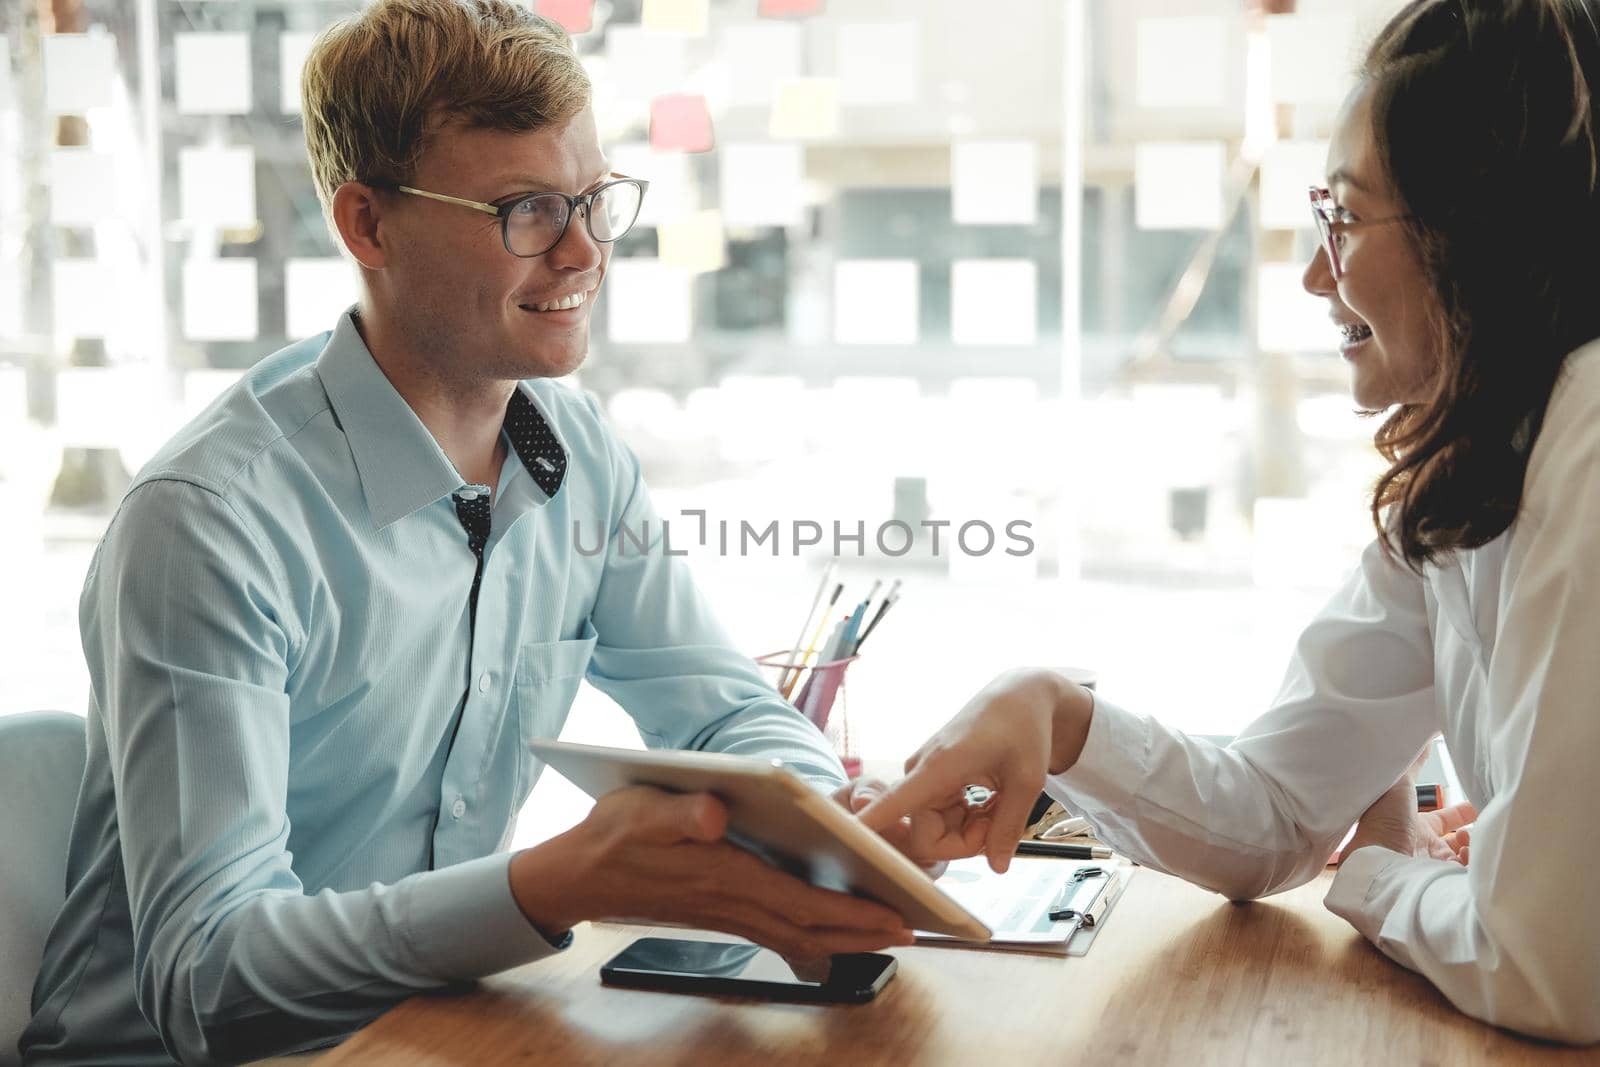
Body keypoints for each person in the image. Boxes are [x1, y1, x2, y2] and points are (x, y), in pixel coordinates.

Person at [20, 3, 915, 1063]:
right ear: (368, 226)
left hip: (433, 1030)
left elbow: (726, 711)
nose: (583, 250)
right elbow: (209, 982)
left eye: (590, 199)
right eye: (526, 210)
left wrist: (835, 825)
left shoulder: (576, 451)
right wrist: (558, 879)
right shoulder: (211, 525)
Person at [861, 0, 1600, 1045]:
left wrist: (1383, 872)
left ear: (1472, 232)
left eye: (1343, 218)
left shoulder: (1588, 437)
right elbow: (1273, 816)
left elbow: (1547, 967)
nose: (1312, 271)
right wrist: (1056, 714)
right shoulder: (1467, 477)